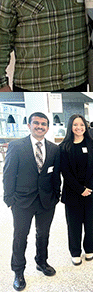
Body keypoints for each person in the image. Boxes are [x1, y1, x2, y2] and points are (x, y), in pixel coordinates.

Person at [3, 112, 61, 291]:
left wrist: (56, 196)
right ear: (29, 125)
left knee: (43, 234)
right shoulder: (16, 146)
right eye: (36, 123)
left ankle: (41, 262)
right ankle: (18, 272)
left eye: (43, 124)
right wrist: (9, 199)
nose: (40, 126)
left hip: (46, 201)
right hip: (21, 201)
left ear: (48, 127)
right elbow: (8, 174)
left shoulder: (54, 148)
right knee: (20, 236)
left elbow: (56, 175)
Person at [59, 114, 93, 265]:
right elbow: (65, 171)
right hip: (72, 192)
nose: (79, 128)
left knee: (90, 222)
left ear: (86, 126)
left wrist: (89, 187)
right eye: (75, 125)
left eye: (82, 124)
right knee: (73, 224)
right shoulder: (64, 147)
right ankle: (75, 252)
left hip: (90, 191)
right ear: (70, 127)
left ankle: (90, 249)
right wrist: (79, 189)